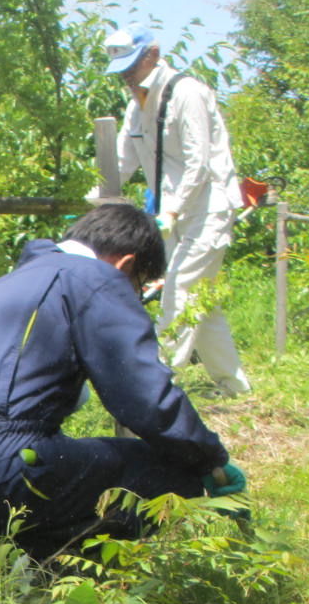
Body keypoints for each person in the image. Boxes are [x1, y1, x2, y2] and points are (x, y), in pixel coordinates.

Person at [0, 203, 246, 561]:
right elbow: (145, 398)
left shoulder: (7, 284)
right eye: (138, 289)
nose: (134, 298)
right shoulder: (96, 279)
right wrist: (207, 460)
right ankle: (74, 566)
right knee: (169, 473)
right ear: (127, 264)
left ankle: (12, 555)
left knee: (56, 453)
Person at [105, 23, 251, 397]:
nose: (126, 75)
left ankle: (156, 386)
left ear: (152, 54)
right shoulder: (134, 107)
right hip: (174, 213)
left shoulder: (188, 93)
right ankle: (234, 387)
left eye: (131, 66)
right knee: (204, 302)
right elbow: (120, 165)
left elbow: (198, 163)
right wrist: (98, 198)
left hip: (208, 207)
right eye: (120, 69)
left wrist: (170, 211)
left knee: (179, 289)